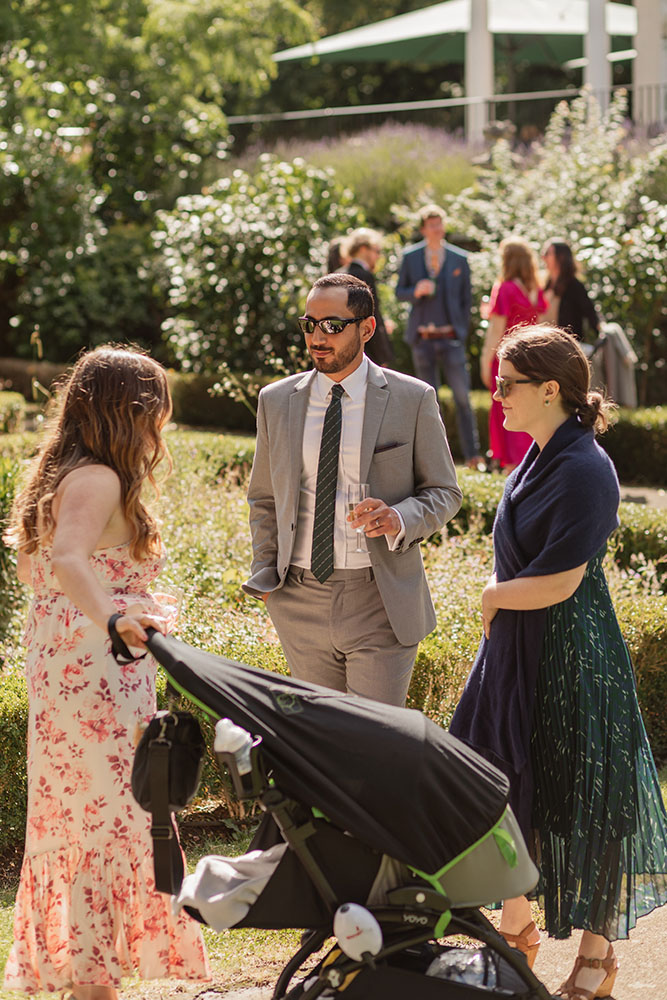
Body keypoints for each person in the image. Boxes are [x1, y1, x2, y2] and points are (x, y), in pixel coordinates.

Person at [450, 326, 667, 999]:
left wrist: (491, 594)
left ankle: (595, 959)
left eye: (505, 383)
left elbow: (562, 581)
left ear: (549, 389)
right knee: (486, 778)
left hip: (569, 653)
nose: (495, 395)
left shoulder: (583, 467)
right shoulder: (541, 456)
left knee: (585, 803)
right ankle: (518, 924)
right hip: (517, 649)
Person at [3, 347, 209, 1000]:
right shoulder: (97, 480)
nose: (160, 433)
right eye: (157, 417)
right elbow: (66, 559)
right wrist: (118, 616)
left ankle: (87, 976)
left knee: (80, 820)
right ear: (130, 414)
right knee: (112, 817)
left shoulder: (59, 474)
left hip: (67, 673)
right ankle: (94, 983)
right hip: (98, 677)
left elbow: (40, 574)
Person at [242, 272, 462, 707]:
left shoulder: (412, 398)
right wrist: (268, 574)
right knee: (324, 752)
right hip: (299, 598)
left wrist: (399, 517)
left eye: (332, 325)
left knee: (374, 747)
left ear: (366, 328)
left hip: (379, 598)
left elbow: (444, 491)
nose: (318, 337)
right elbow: (264, 497)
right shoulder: (276, 400)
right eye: (310, 324)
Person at [396, 204, 483, 469]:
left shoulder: (459, 258)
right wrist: (415, 290)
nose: (436, 228)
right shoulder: (411, 257)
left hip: (450, 338)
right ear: (423, 229)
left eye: (439, 223)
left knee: (462, 399)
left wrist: (462, 331)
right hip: (423, 338)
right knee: (428, 402)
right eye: (431, 224)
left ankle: (473, 457)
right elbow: (400, 292)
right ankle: (434, 459)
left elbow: (467, 299)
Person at [480, 237, 548, 472]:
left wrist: (485, 360)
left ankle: (511, 465)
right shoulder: (535, 290)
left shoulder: (505, 288)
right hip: (530, 358)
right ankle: (530, 460)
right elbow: (541, 323)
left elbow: (496, 330)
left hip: (506, 358)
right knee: (528, 407)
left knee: (504, 409)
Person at [344, 227, 395, 367]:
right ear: (363, 249)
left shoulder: (337, 274)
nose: (378, 256)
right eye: (376, 251)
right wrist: (383, 355)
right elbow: (372, 317)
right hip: (366, 353)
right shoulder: (364, 277)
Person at [542, 238, 601, 341]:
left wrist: (601, 332)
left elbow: (590, 313)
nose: (543, 257)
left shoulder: (574, 286)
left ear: (561, 257)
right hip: (545, 344)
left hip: (566, 346)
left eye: (548, 253)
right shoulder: (545, 283)